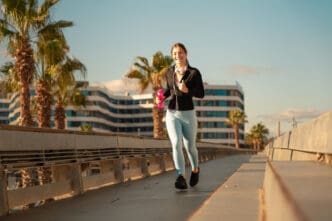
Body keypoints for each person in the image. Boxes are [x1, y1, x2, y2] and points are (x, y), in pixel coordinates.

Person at [158, 43, 205, 189]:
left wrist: (187, 90)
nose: (177, 56)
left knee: (190, 146)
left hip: (188, 114)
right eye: (174, 53)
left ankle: (195, 169)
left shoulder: (194, 73)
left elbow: (201, 94)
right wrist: (160, 97)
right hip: (172, 113)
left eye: (180, 53)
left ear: (186, 54)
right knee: (176, 143)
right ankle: (181, 177)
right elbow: (168, 90)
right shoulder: (169, 72)